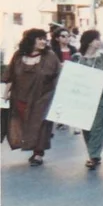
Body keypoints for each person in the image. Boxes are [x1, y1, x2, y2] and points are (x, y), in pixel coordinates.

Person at [2, 29, 61, 165]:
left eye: (44, 39)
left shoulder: (50, 56)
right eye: (39, 38)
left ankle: (38, 154)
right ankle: (31, 146)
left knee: (40, 125)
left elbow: (58, 75)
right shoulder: (18, 55)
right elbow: (11, 75)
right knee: (23, 124)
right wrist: (6, 93)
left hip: (42, 97)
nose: (43, 41)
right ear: (30, 40)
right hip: (20, 97)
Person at [72, 30, 103, 169]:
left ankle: (93, 155)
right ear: (89, 41)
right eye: (97, 39)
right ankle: (93, 152)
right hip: (83, 97)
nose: (99, 41)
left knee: (98, 126)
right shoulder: (76, 58)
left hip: (101, 95)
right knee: (86, 125)